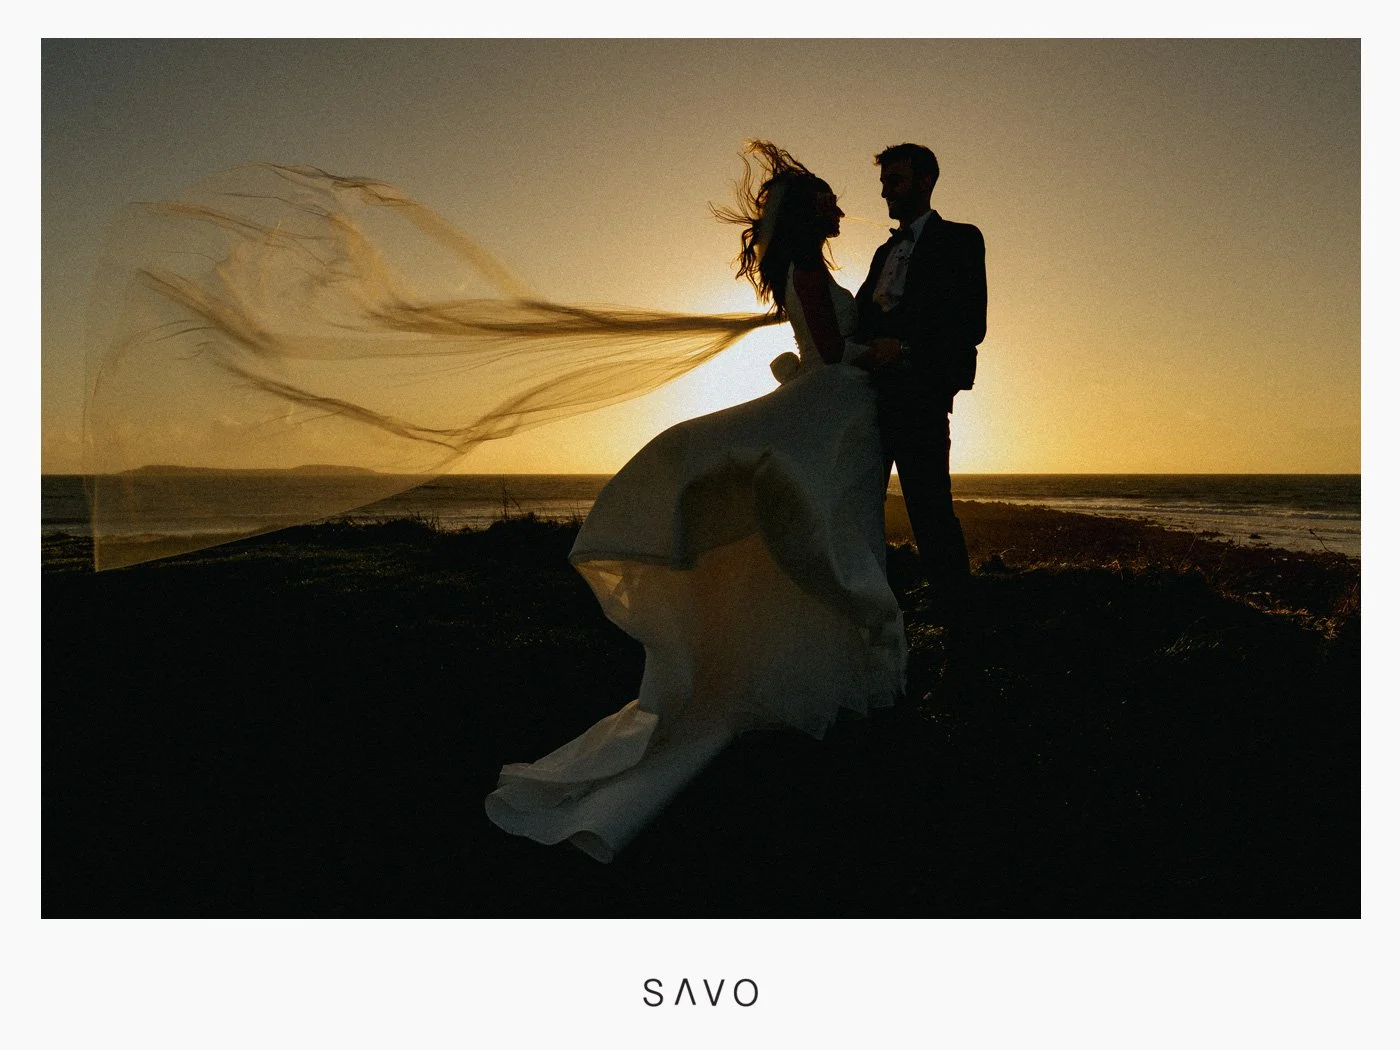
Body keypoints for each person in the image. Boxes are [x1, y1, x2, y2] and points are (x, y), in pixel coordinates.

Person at [483, 143, 907, 861]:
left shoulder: (815, 271)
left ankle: (833, 669)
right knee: (833, 532)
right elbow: (833, 354)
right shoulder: (808, 272)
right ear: (808, 217)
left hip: (846, 422)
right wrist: (884, 353)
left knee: (836, 533)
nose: (841, 208)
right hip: (836, 408)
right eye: (829, 200)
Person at [853, 143, 987, 611]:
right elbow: (859, 323)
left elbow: (971, 325)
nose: (886, 192)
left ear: (925, 181)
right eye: (884, 183)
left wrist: (906, 349)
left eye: (896, 181)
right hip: (864, 405)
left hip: (920, 403)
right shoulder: (882, 252)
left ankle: (960, 635)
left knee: (931, 519)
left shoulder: (962, 240)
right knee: (857, 516)